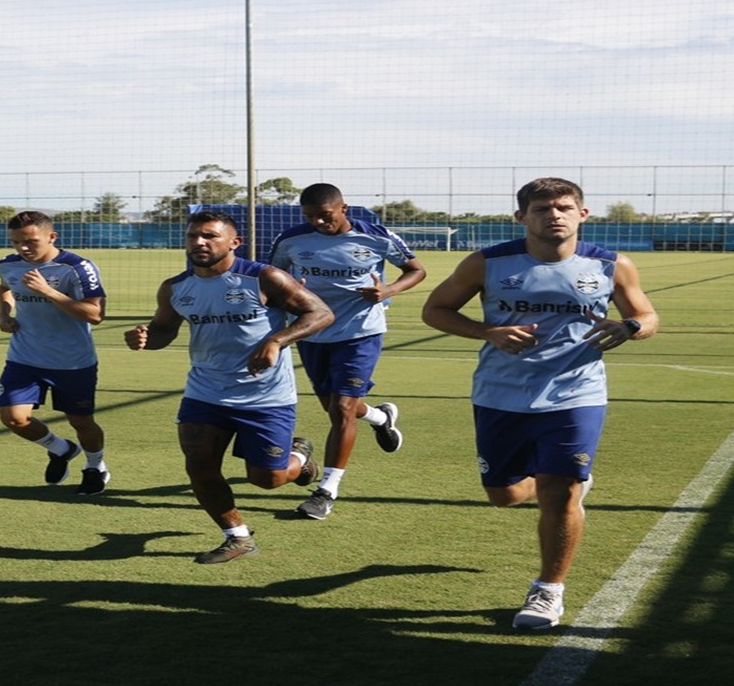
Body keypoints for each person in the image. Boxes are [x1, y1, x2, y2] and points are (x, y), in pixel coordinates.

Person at [420, 177, 659, 629]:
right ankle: (561, 482)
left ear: (583, 214)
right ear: (521, 217)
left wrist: (629, 328)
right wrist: (486, 331)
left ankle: (548, 591)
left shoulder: (612, 265)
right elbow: (435, 310)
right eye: (543, 208)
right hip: (500, 394)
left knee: (560, 490)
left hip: (577, 392)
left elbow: (647, 315)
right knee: (505, 495)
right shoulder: (486, 263)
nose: (555, 214)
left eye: (565, 207)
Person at [124, 210, 334, 564]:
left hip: (266, 396)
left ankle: (299, 458)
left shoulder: (264, 278)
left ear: (234, 242)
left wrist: (277, 341)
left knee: (267, 479)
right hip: (206, 392)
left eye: (209, 236)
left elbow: (321, 313)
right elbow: (164, 331)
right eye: (193, 236)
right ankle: (236, 536)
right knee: (199, 463)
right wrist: (145, 337)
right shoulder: (175, 287)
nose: (199, 243)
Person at [267, 183, 427, 520]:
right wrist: (289, 290)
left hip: (360, 332)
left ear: (344, 208)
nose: (318, 223)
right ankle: (381, 418)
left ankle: (326, 490)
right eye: (310, 217)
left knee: (341, 408)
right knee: (335, 407)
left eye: (325, 216)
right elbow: (273, 279)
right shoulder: (291, 240)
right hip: (311, 331)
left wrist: (388, 290)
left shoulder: (377, 236)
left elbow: (416, 270)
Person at [0, 211, 111, 495]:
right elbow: (4, 288)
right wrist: (3, 314)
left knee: (81, 421)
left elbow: (95, 314)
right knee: (13, 419)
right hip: (24, 357)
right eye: (16, 242)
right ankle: (61, 449)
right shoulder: (8, 265)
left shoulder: (77, 268)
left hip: (73, 362)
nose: (22, 248)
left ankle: (95, 465)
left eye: (30, 241)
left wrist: (48, 291)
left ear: (51, 237)